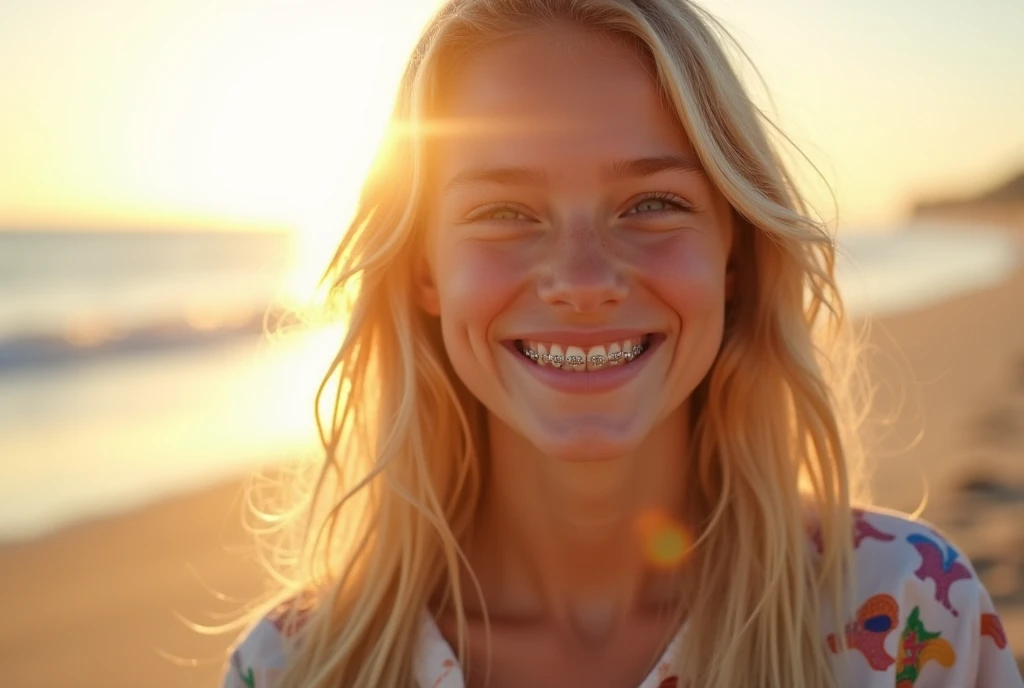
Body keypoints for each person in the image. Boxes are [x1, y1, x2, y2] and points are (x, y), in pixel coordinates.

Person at [223, 0, 1023, 686]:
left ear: (733, 254)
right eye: (504, 212)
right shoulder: (298, 665)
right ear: (425, 271)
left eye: (651, 203)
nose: (582, 279)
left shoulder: (913, 616)